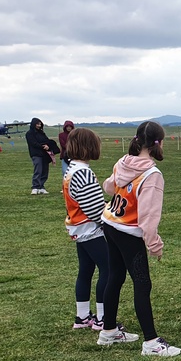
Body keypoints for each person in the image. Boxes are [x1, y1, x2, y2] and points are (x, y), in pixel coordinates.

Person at [97, 121, 181, 356]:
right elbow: (148, 216)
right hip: (127, 231)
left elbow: (109, 187)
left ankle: (109, 330)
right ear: (159, 143)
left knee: (115, 276)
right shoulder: (152, 175)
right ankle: (151, 342)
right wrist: (154, 244)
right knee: (142, 283)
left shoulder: (123, 162)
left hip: (110, 223)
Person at [63, 127, 109, 330]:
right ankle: (103, 319)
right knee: (108, 269)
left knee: (86, 270)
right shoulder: (83, 172)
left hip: (78, 228)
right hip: (90, 230)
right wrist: (109, 221)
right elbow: (94, 208)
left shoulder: (71, 169)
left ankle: (82, 317)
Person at [25, 117, 59, 194]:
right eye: (37, 124)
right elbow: (33, 143)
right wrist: (42, 146)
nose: (39, 126)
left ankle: (41, 187)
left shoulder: (42, 133)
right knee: (38, 170)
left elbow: (46, 141)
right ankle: (35, 187)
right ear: (33, 124)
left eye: (40, 124)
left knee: (45, 171)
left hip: (45, 154)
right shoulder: (29, 133)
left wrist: (48, 146)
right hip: (36, 154)